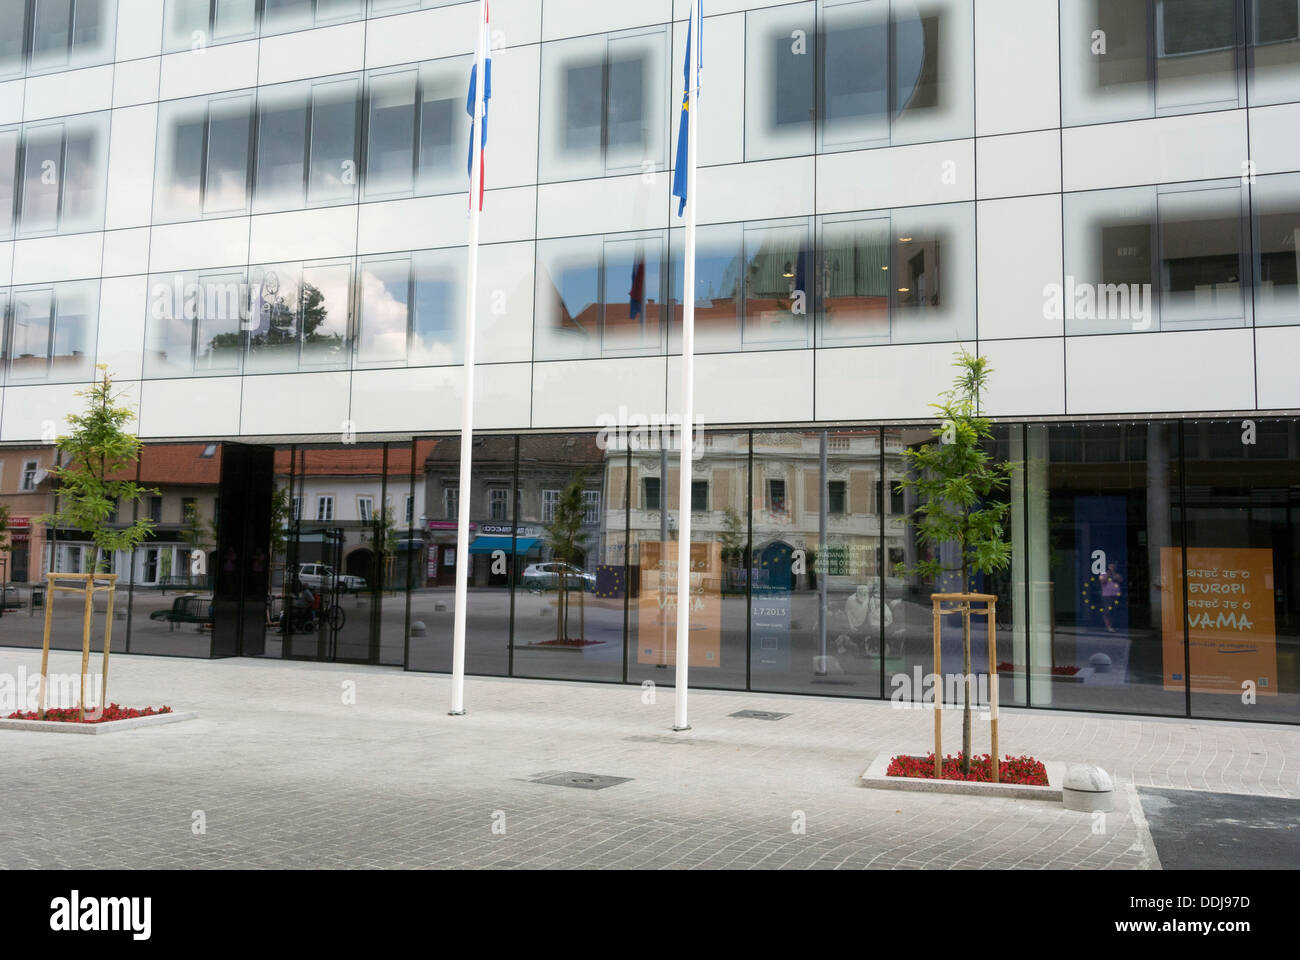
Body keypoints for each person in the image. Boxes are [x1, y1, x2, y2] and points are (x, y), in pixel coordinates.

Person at [1098, 561, 1123, 633]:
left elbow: (1120, 580)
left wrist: (1113, 573)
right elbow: (1103, 581)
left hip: (1115, 595)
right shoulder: (1103, 574)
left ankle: (1111, 626)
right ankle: (1108, 626)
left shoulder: (1117, 574)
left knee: (1114, 611)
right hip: (1107, 595)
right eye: (1110, 565)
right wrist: (1109, 573)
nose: (1112, 567)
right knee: (1107, 611)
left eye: (1113, 565)